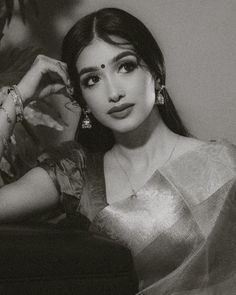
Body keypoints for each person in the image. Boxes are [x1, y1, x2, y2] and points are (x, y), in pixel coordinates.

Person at [0, 7, 235, 294]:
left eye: (125, 66)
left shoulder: (224, 167)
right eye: (92, 80)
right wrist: (19, 96)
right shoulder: (75, 175)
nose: (113, 92)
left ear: (157, 74)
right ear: (82, 98)